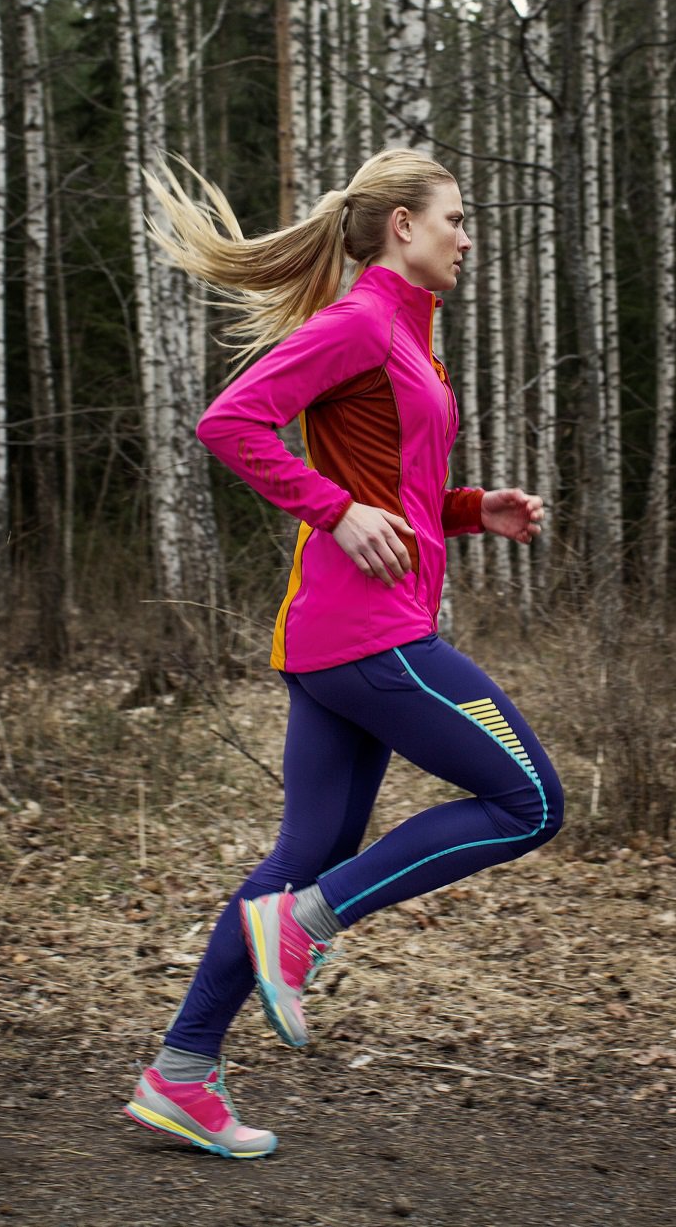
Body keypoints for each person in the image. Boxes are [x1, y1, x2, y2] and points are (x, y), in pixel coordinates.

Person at [120, 149, 565, 1159]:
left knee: (303, 852)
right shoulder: (363, 323)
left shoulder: (410, 339)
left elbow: (391, 486)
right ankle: (308, 926)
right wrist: (332, 510)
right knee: (530, 803)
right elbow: (230, 423)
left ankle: (181, 1074)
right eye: (456, 216)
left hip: (346, 637)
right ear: (403, 226)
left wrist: (469, 510)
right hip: (371, 637)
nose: (468, 234)